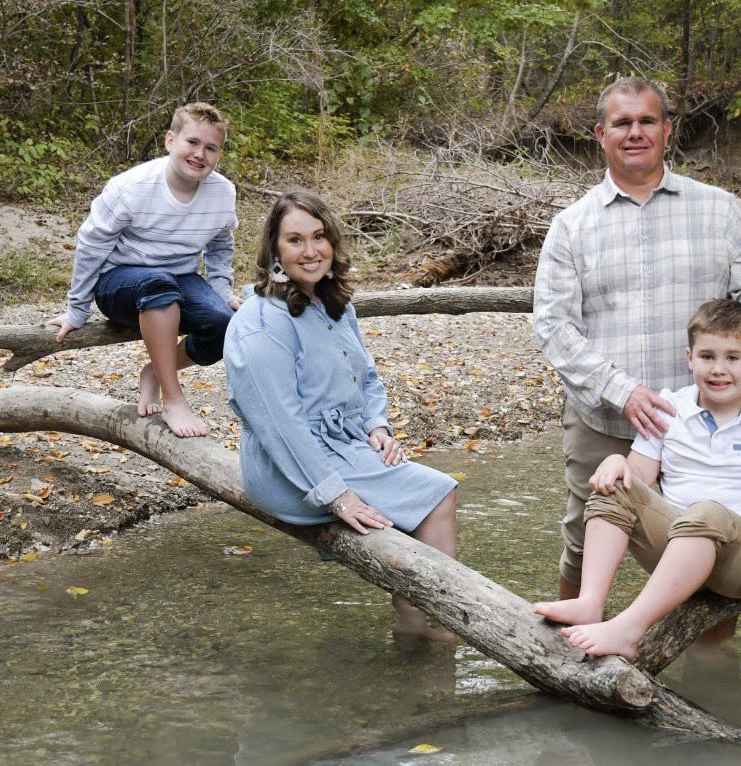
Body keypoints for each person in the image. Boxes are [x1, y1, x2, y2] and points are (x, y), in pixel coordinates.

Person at [532, 76, 741, 607]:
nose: (635, 132)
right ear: (601, 134)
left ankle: (709, 669)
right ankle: (559, 653)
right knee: (582, 540)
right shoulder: (571, 226)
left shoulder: (717, 209)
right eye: (622, 123)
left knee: (710, 545)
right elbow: (553, 325)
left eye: (647, 121)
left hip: (709, 417)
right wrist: (621, 390)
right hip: (606, 417)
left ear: (667, 130)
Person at [534, 299, 741, 659]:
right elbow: (639, 479)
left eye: (733, 357)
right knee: (614, 484)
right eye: (707, 357)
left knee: (708, 511)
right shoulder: (670, 409)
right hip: (680, 546)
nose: (719, 369)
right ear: (689, 357)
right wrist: (618, 460)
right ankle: (590, 602)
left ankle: (628, 629)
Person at [223, 190, 458, 639]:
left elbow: (365, 377)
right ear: (274, 249)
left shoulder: (334, 304)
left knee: (418, 501)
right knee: (438, 495)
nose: (310, 251)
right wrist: (336, 496)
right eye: (295, 240)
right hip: (285, 468)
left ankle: (415, 625)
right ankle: (430, 628)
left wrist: (377, 426)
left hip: (343, 444)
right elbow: (282, 426)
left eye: (319, 237)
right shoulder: (261, 323)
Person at [47, 102, 239, 438]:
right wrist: (76, 310)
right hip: (119, 281)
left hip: (180, 278)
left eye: (211, 148)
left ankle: (154, 372)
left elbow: (221, 246)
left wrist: (221, 292)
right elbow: (91, 247)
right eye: (192, 142)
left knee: (224, 325)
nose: (200, 154)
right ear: (170, 141)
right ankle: (174, 398)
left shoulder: (222, 192)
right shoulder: (131, 187)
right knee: (157, 283)